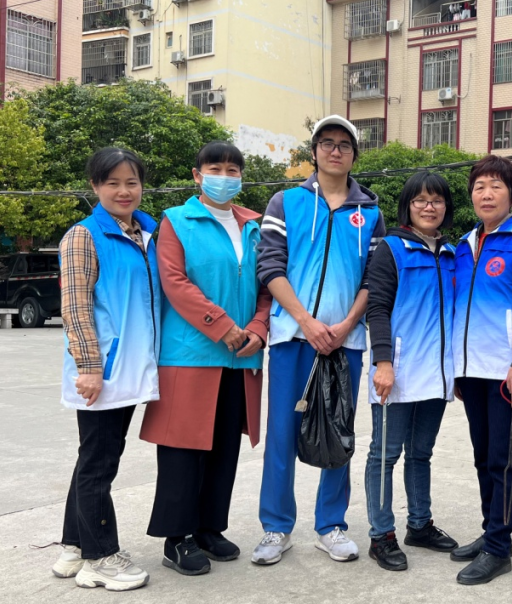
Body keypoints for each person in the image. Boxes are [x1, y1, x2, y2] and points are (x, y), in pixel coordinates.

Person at [252, 116, 386, 565]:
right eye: (327, 143)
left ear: (354, 155)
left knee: (338, 431)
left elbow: (373, 279)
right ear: (314, 152)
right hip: (293, 337)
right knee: (282, 433)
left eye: (344, 145)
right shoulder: (286, 202)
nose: (335, 151)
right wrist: (306, 321)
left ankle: (331, 525)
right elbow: (270, 267)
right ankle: (276, 526)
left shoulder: (370, 213)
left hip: (346, 341)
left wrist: (347, 325)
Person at [140, 142, 272, 576]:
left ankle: (209, 528)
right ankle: (176, 537)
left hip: (241, 355)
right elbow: (175, 282)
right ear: (197, 175)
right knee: (182, 448)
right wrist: (222, 325)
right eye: (216, 168)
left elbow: (267, 285)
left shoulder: (254, 227)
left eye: (233, 170)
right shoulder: (176, 221)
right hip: (191, 354)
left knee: (223, 447)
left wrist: (258, 328)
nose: (225, 176)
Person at [53, 147, 161, 592]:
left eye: (131, 182)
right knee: (99, 463)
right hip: (103, 371)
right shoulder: (83, 236)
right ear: (95, 186)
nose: (123, 191)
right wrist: (90, 368)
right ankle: (100, 557)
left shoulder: (147, 234)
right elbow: (76, 308)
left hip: (131, 368)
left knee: (95, 457)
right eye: (112, 182)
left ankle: (74, 545)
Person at [449, 155, 512, 585]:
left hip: (507, 371)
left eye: (496, 186)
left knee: (505, 459)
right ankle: (492, 529)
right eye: (479, 187)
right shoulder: (464, 244)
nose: (486, 194)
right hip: (471, 369)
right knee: (482, 456)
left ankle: (498, 548)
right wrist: (457, 368)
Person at [364, 172, 460, 571]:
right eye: (420, 200)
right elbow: (376, 308)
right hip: (398, 372)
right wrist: (383, 362)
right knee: (385, 454)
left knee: (421, 453)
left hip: (437, 376)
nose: (428, 207)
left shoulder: (452, 253)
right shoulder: (392, 249)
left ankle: (419, 524)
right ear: (408, 206)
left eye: (436, 200)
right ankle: (381, 535)